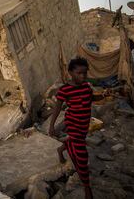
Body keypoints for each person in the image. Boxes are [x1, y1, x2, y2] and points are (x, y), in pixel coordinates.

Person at [49, 57, 103, 199]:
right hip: (73, 125)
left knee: (73, 145)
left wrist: (104, 94)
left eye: (85, 73)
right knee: (81, 155)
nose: (83, 76)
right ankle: (87, 188)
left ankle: (61, 150)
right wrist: (51, 126)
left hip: (84, 125)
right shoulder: (64, 90)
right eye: (79, 73)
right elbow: (57, 108)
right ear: (71, 73)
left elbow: (92, 99)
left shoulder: (86, 87)